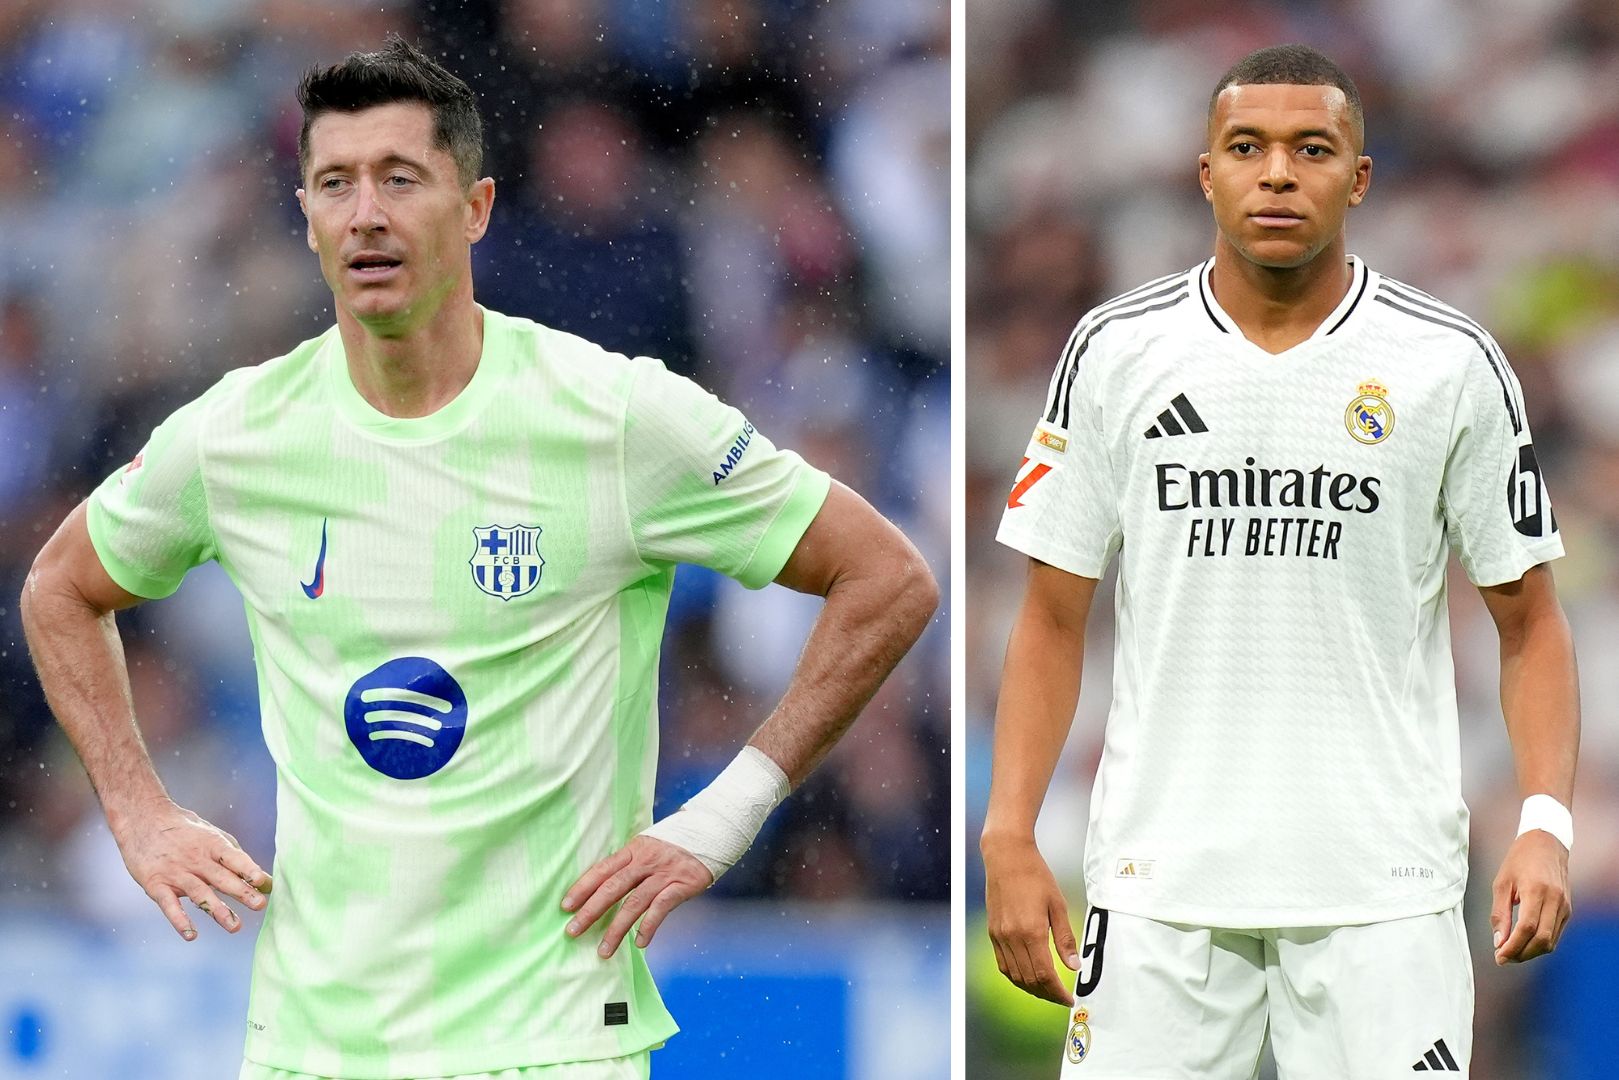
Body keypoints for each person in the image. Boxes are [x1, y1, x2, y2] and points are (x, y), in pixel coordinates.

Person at [19, 37, 937, 1080]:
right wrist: (137, 811)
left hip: (553, 1044)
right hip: (317, 1047)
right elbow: (61, 586)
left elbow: (885, 578)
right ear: (307, 217)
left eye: (400, 178)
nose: (366, 213)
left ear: (476, 209)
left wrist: (723, 816)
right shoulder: (236, 434)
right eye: (336, 184)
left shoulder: (613, 416)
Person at [981, 43, 1577, 1078]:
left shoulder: (1446, 362)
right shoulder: (1116, 350)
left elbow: (1528, 620)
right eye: (1245, 147)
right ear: (1203, 172)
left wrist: (1542, 823)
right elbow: (1049, 615)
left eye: (1310, 148)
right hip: (1158, 885)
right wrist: (1006, 833)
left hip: (1382, 891)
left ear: (1359, 176)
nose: (1275, 174)